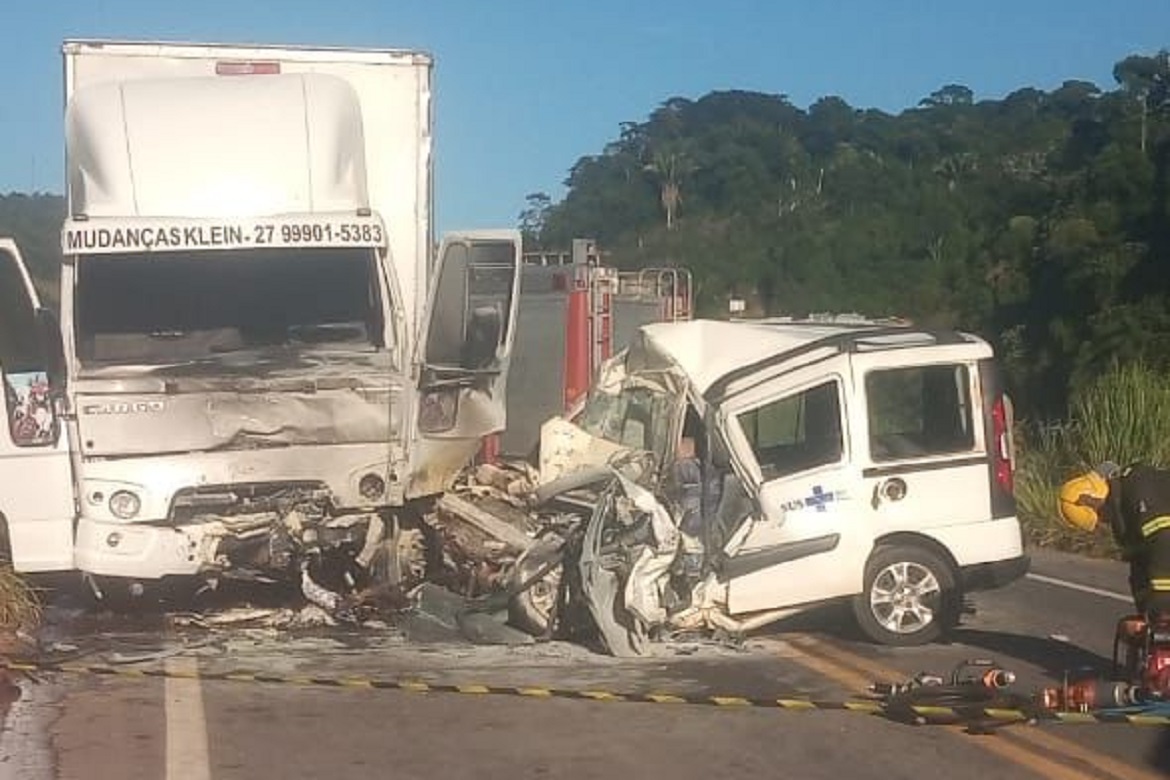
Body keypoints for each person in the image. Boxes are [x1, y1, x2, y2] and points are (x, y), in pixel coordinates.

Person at [1058, 461, 1170, 617]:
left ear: (1092, 499)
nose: (1105, 520)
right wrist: (1145, 612)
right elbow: (1139, 562)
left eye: (1101, 514)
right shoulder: (1127, 504)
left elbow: (1164, 542)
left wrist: (1162, 602)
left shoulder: (1139, 490)